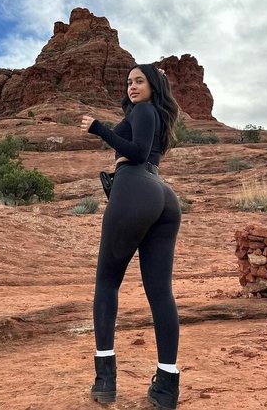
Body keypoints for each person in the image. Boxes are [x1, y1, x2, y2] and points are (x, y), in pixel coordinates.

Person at [81, 64, 182, 410]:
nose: (132, 86)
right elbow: (144, 148)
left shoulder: (143, 110)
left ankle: (105, 381)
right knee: (160, 292)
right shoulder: (154, 114)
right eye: (128, 82)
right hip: (163, 196)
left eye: (139, 80)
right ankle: (166, 387)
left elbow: (136, 152)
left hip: (134, 185)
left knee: (107, 283)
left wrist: (98, 129)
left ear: (153, 86)